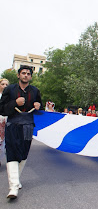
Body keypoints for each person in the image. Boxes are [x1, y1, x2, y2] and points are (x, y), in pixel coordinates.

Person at [0, 66, 42, 199]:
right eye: (23, 73)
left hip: (28, 127)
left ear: (30, 76)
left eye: (28, 74)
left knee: (23, 154)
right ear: (18, 75)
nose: (26, 75)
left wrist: (38, 106)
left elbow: (39, 107)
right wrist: (14, 103)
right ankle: (13, 187)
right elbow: (1, 109)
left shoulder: (35, 91)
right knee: (12, 152)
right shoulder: (9, 90)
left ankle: (16, 180)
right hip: (13, 125)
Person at [0, 78, 9, 168]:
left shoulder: (9, 98)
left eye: (6, 85)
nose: (5, 86)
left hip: (5, 121)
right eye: (3, 84)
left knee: (2, 145)